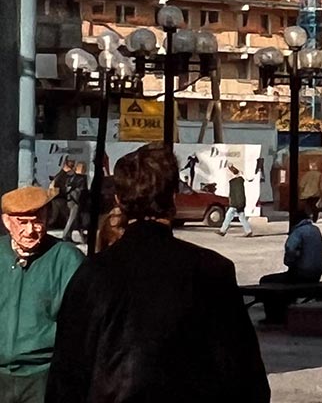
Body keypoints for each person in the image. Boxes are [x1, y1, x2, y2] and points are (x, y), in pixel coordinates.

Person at [45, 144, 268, 403]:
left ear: (118, 200)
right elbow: (247, 378)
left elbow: (67, 377)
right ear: (173, 197)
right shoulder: (213, 270)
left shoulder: (93, 275)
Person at [0, 186, 83, 403]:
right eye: (22, 222)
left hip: (43, 376)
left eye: (37, 221)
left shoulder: (67, 259)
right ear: (6, 221)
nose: (30, 231)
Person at [261, 198, 322, 284]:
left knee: (265, 280)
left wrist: (289, 262)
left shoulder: (298, 232)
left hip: (302, 273)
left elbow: (291, 249)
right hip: (317, 273)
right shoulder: (316, 229)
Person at [218, 163, 253, 237]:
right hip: (238, 203)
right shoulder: (236, 182)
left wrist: (236, 203)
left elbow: (238, 194)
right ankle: (248, 231)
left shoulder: (236, 182)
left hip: (236, 203)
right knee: (242, 217)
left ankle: (223, 231)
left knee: (228, 215)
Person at [57, 165, 86, 248]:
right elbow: (82, 190)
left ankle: (70, 236)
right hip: (75, 200)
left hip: (70, 199)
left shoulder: (70, 177)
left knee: (75, 219)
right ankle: (65, 235)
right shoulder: (81, 178)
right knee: (72, 218)